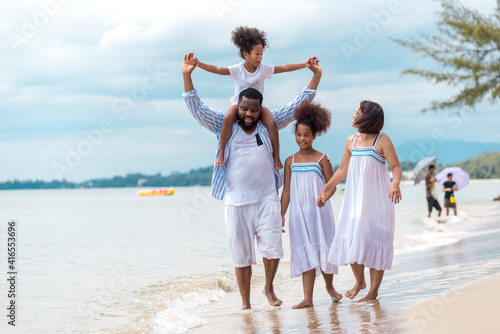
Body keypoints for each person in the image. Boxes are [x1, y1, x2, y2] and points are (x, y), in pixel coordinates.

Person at [182, 52, 322, 309]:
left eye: (254, 110)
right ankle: (246, 303)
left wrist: (315, 76)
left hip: (267, 197)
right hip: (236, 201)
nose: (248, 114)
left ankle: (268, 287)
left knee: (273, 250)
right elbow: (197, 108)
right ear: (238, 106)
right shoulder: (224, 125)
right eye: (244, 109)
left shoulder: (268, 125)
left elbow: (297, 106)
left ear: (260, 110)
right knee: (241, 257)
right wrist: (187, 75)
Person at [191, 26, 317, 169]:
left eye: (262, 54)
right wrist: (200, 64)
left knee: (272, 123)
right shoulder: (238, 69)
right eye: (257, 54)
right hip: (239, 107)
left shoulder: (263, 69)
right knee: (226, 119)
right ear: (246, 54)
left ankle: (276, 157)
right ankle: (221, 153)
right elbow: (219, 70)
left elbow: (284, 67)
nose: (260, 57)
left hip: (257, 108)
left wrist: (304, 64)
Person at [317, 101, 402, 302]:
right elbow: (342, 171)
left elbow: (396, 167)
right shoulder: (350, 141)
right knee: (351, 236)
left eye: (357, 112)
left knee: (377, 241)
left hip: (378, 202)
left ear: (367, 118)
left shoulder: (382, 140)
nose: (353, 115)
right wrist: (326, 190)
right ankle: (360, 281)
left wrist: (395, 184)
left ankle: (373, 292)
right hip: (354, 202)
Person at [280, 101, 342, 309]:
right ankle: (307, 298)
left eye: (307, 135)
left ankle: (330, 287)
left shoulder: (322, 159)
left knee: (323, 248)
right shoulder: (291, 161)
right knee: (305, 250)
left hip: (319, 212)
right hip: (298, 215)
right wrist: (281, 214)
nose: (302, 139)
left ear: (314, 135)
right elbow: (286, 191)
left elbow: (331, 185)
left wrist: (325, 196)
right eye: (298, 134)